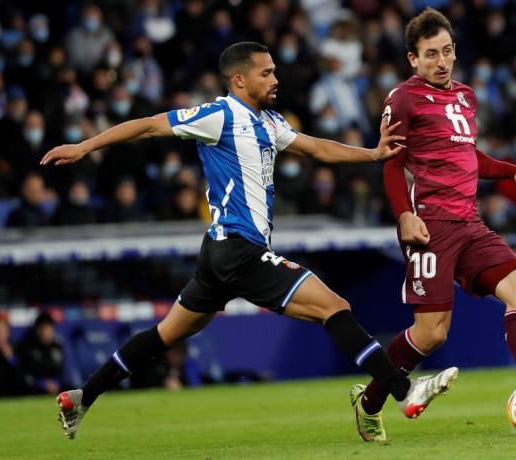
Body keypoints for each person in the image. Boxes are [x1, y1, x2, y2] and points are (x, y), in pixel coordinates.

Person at [42, 41, 458, 440]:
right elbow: (150, 125)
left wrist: (371, 154)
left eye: (275, 70)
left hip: (218, 257)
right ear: (239, 81)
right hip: (238, 250)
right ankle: (403, 393)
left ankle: (82, 396)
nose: (276, 78)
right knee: (335, 307)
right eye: (267, 72)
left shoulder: (270, 122)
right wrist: (85, 146)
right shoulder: (219, 116)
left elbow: (316, 148)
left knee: (166, 334)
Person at [348, 9, 516, 443]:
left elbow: (469, 156)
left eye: (446, 51)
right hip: (430, 227)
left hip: (471, 223)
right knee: (431, 334)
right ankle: (368, 404)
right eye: (430, 55)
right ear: (413, 59)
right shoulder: (403, 99)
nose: (441, 62)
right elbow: (391, 163)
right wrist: (403, 216)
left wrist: (511, 172)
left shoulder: (464, 96)